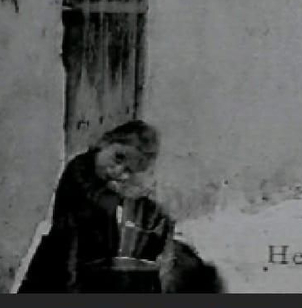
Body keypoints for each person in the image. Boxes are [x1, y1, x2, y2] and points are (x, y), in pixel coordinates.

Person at [19, 122, 223, 293]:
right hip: (62, 260)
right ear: (104, 142)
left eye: (128, 170)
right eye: (118, 158)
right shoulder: (79, 170)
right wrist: (128, 197)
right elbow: (97, 203)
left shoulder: (110, 188)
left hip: (91, 264)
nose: (117, 171)